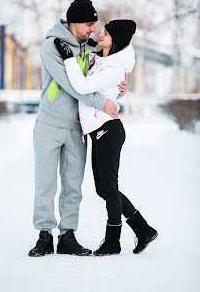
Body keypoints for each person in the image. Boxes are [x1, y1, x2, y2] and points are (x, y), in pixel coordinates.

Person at [28, 0, 127, 257]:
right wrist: (102, 103)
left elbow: (101, 82)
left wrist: (118, 92)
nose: (93, 29)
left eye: (94, 25)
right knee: (45, 184)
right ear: (73, 23)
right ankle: (44, 235)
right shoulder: (53, 47)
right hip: (49, 123)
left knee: (73, 184)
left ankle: (67, 235)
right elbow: (71, 85)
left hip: (77, 127)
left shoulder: (88, 48)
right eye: (89, 24)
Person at [55, 19, 158, 256]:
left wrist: (69, 58)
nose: (101, 34)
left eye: (107, 34)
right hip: (100, 131)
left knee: (109, 188)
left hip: (108, 131)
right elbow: (109, 90)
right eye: (103, 31)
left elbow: (82, 87)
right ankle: (143, 230)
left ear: (116, 41)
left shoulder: (112, 68)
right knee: (103, 189)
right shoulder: (104, 61)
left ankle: (113, 241)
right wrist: (122, 90)